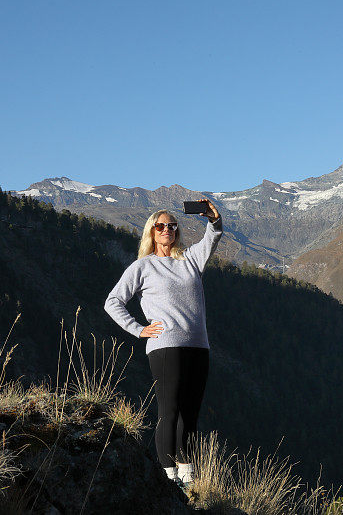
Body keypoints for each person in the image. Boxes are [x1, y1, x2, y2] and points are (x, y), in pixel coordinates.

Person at [104, 199, 222, 490]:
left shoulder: (190, 260)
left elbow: (214, 235)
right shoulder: (142, 266)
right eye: (160, 226)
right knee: (169, 411)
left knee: (190, 413)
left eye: (172, 225)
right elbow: (113, 302)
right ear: (151, 233)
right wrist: (138, 329)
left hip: (198, 346)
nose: (167, 229)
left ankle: (187, 477)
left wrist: (214, 218)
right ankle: (168, 480)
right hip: (165, 345)